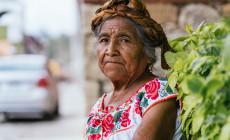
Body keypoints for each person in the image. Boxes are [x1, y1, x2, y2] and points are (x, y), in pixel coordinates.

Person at [84, 0, 184, 139]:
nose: (111, 50)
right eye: (104, 40)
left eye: (124, 40)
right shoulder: (99, 106)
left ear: (147, 53)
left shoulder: (159, 94)